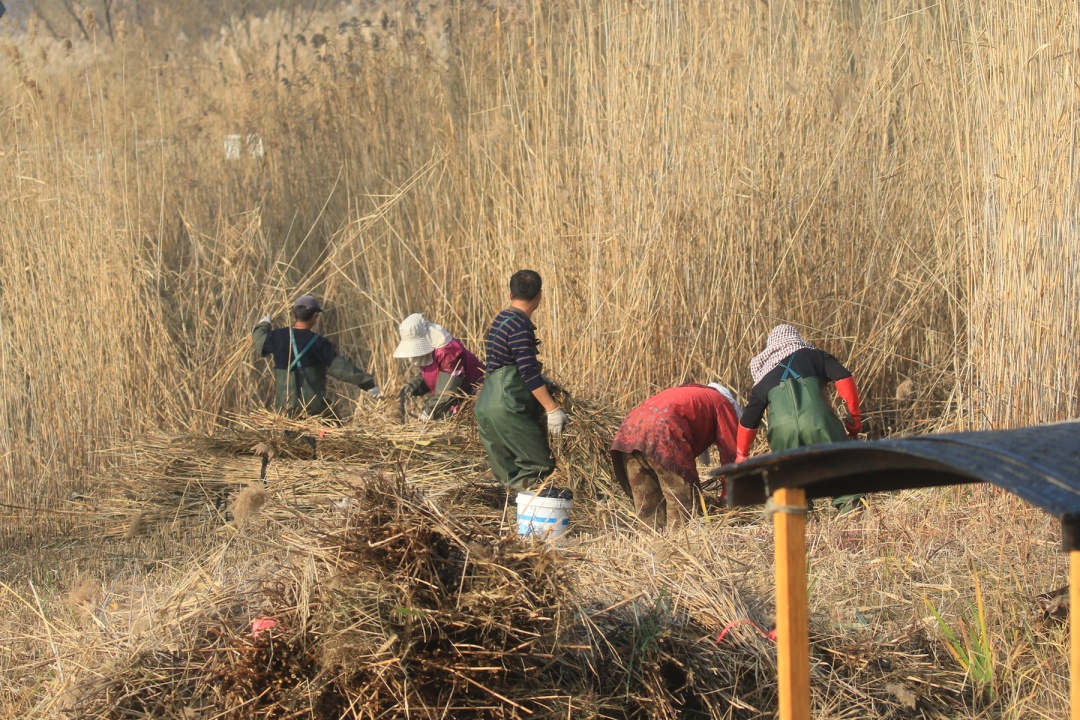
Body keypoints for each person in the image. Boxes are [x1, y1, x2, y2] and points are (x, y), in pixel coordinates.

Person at [735, 324, 863, 511]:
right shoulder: (816, 356)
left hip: (782, 433)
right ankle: (851, 512)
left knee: (791, 488)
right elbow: (844, 378)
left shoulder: (763, 377)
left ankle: (798, 525)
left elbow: (748, 421)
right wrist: (854, 420)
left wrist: (741, 456)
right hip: (820, 423)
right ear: (796, 339)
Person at [475, 270, 568, 491]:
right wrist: (552, 409)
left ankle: (510, 520)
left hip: (487, 405)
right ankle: (533, 521)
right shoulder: (520, 327)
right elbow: (527, 372)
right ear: (539, 296)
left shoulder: (501, 320)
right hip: (507, 407)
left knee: (508, 473)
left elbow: (503, 364)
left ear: (510, 294)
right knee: (538, 468)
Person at [610, 383, 742, 530]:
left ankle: (651, 547)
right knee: (682, 506)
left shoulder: (687, 394)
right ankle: (677, 549)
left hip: (628, 431)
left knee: (648, 508)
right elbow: (731, 455)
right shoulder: (721, 402)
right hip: (663, 432)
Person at [253, 294, 380, 417]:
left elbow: (259, 339)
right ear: (315, 316)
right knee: (335, 422)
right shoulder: (319, 343)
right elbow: (342, 369)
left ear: (294, 314)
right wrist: (368, 385)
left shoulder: (277, 336)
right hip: (312, 412)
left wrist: (264, 324)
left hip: (285, 412)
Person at [393, 313, 484, 420]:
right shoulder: (427, 354)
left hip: (475, 399)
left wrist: (430, 411)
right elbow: (434, 373)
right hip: (456, 405)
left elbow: (448, 390)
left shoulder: (447, 353)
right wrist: (415, 384)